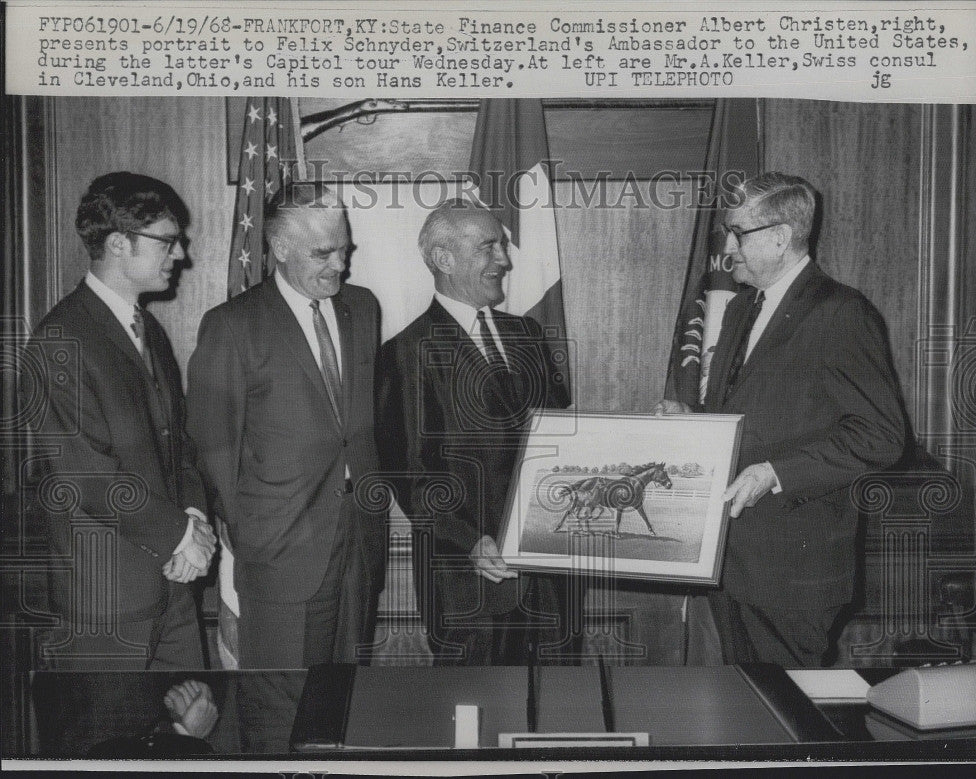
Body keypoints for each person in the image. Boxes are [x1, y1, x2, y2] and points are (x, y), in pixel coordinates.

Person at [658, 172, 906, 666]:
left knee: (785, 720)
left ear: (779, 237)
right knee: (745, 712)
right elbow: (747, 414)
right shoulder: (741, 308)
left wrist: (775, 473)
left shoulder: (842, 313)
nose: (729, 247)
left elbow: (882, 435)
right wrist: (694, 422)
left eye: (738, 233)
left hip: (794, 572)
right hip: (732, 562)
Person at [186, 182, 386, 669]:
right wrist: (255, 532)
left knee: (344, 703)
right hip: (280, 553)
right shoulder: (232, 326)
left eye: (344, 249)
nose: (340, 265)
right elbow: (212, 448)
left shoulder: (363, 308)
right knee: (282, 712)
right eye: (323, 252)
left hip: (360, 542)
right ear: (280, 248)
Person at [28, 172, 215, 670]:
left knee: (194, 741)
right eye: (167, 242)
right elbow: (87, 476)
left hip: (176, 590)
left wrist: (194, 519)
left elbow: (182, 446)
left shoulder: (147, 330)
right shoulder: (60, 339)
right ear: (117, 244)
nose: (179, 256)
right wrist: (180, 535)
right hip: (106, 608)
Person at [376, 198, 574, 665]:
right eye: (489, 248)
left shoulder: (526, 333)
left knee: (562, 712)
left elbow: (561, 439)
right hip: (467, 579)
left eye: (502, 247)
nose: (504, 261)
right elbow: (409, 477)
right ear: (443, 259)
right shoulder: (407, 352)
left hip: (551, 573)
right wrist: (470, 541)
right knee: (478, 717)